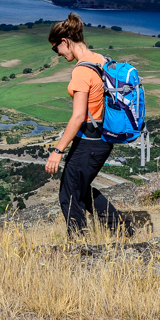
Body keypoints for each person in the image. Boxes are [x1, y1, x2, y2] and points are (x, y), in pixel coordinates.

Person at [44, 13, 130, 237]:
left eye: (56, 49)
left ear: (65, 41)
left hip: (89, 141)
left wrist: (57, 150)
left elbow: (78, 116)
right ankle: (122, 229)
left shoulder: (82, 71)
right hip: (104, 138)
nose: (58, 55)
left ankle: (79, 246)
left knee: (69, 194)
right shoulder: (100, 59)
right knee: (80, 191)